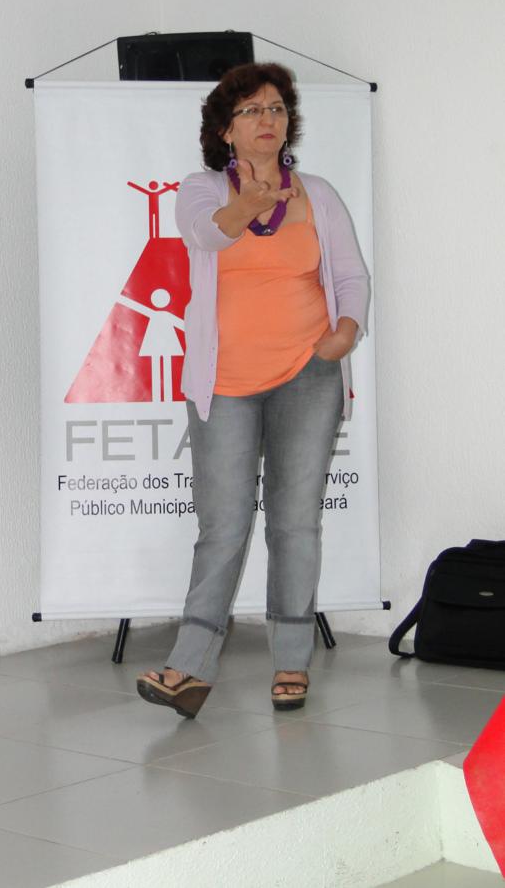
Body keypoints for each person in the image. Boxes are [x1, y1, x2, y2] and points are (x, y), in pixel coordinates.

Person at [136, 62, 369, 718]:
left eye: (277, 108)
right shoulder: (201, 190)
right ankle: (190, 667)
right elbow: (208, 233)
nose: (268, 119)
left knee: (294, 522)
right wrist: (252, 201)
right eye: (252, 110)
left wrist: (344, 333)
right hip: (226, 383)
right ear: (225, 130)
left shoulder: (317, 194)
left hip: (307, 374)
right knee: (223, 525)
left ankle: (291, 660)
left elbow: (350, 275)